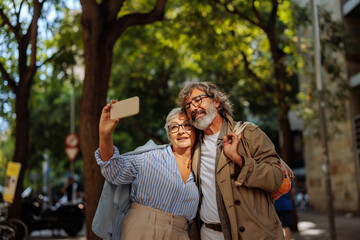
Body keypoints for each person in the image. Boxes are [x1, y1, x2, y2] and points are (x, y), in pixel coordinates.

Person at [178, 82, 290, 240]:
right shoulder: (193, 146)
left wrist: (239, 160)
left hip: (252, 235)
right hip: (208, 234)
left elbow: (276, 178)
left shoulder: (249, 134)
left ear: (216, 101)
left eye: (198, 100)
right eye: (188, 106)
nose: (193, 108)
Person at [95, 101, 199, 240]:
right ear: (169, 134)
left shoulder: (200, 168)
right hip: (142, 230)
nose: (181, 131)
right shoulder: (149, 157)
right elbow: (114, 171)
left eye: (187, 125)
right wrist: (105, 135)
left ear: (196, 130)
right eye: (174, 127)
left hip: (180, 233)